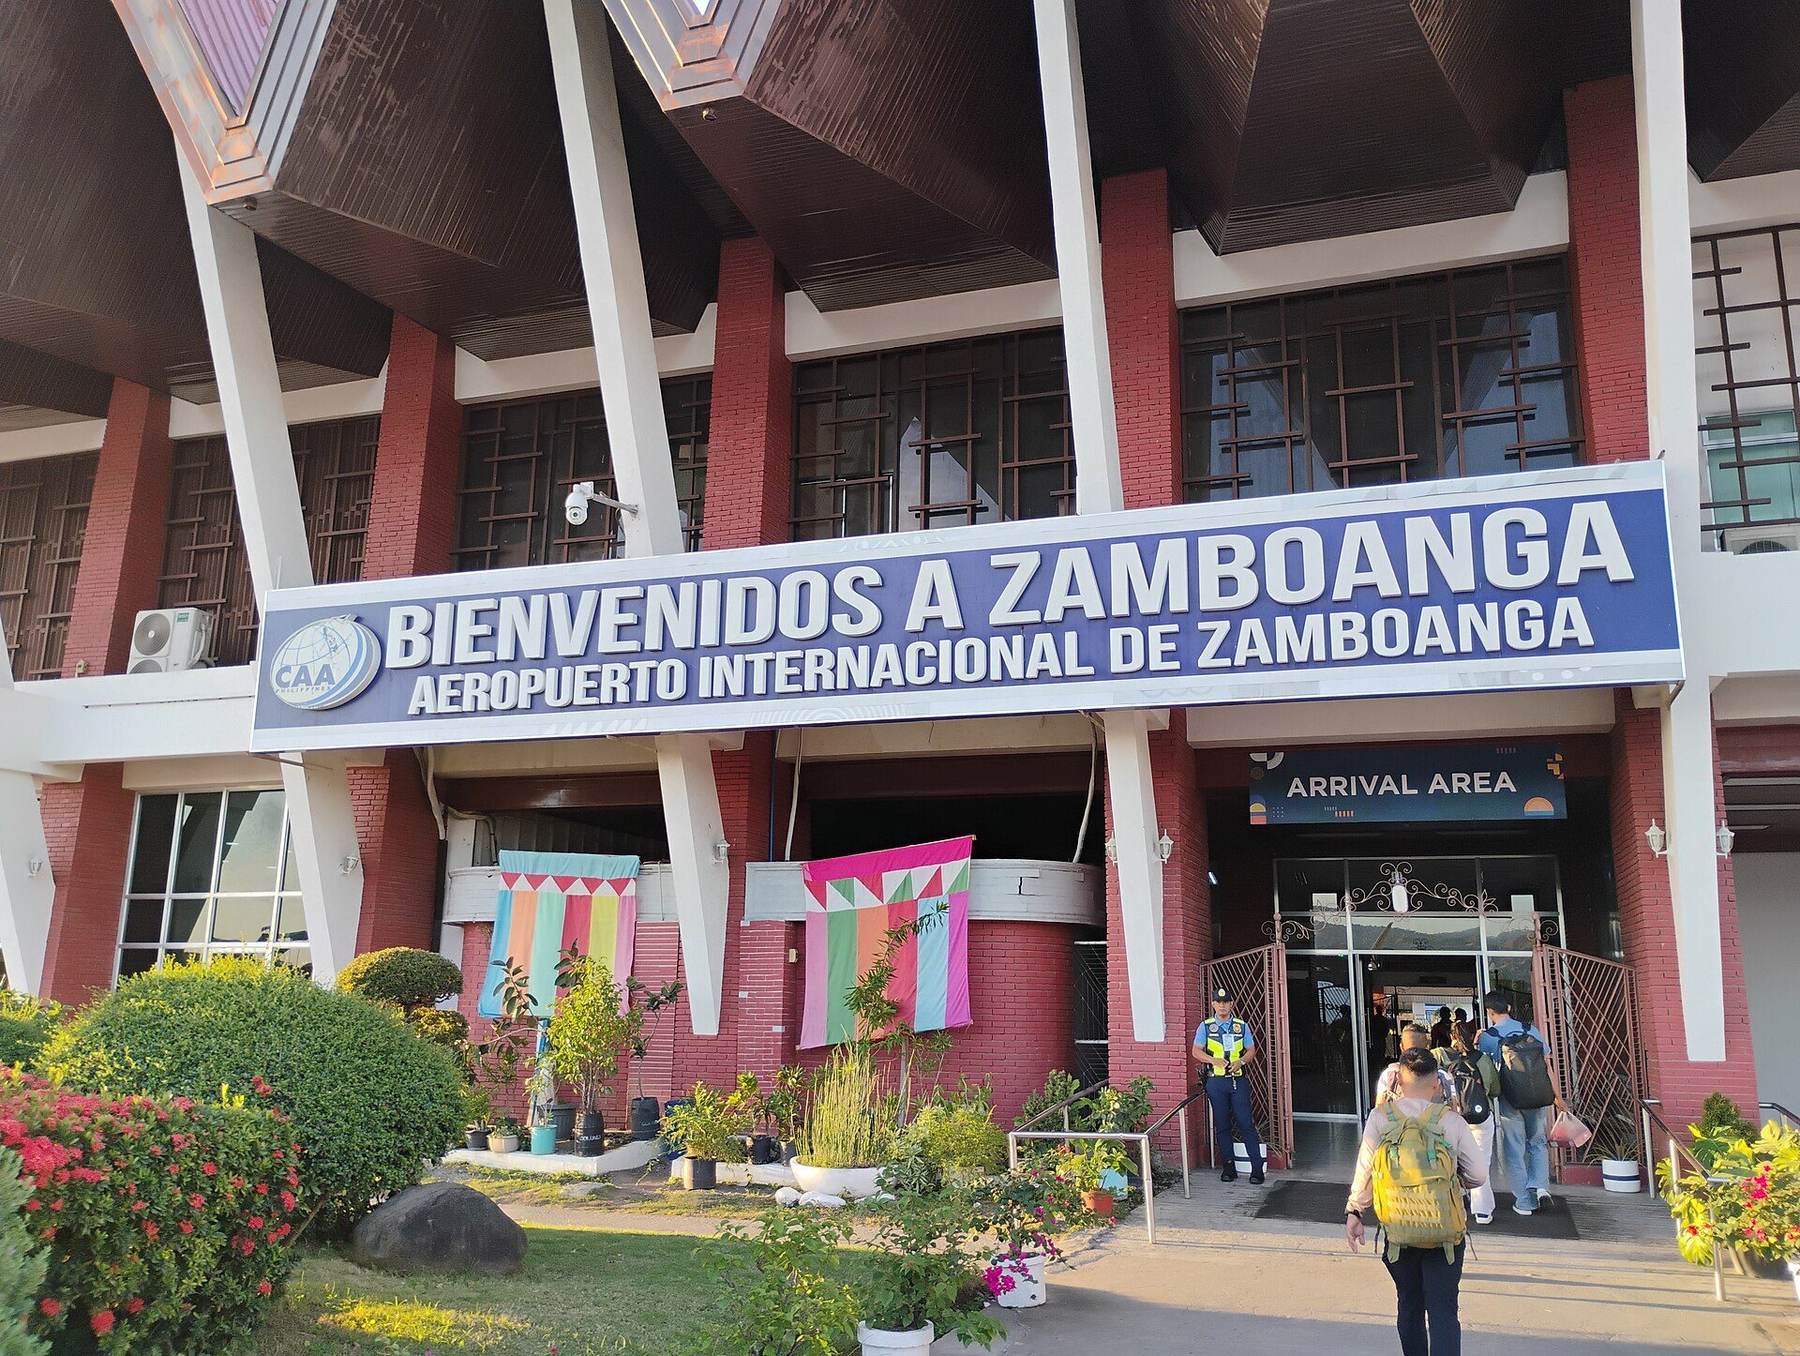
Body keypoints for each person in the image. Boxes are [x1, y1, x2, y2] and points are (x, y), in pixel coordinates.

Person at [1346, 1049, 1488, 1356]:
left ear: (1397, 1080)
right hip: (1444, 1235)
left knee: (1409, 1305)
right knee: (1443, 1311)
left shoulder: (1381, 1118)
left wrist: (1355, 1211)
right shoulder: (1451, 1121)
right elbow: (1478, 1175)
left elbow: (1366, 1169)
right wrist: (1453, 1180)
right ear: (1436, 1083)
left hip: (1399, 1232)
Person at [1477, 991, 1556, 1216]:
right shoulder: (1530, 1030)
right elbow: (1547, 1066)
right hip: (1537, 1095)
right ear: (1509, 1008)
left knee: (1514, 1149)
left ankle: (1524, 1201)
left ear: (1489, 1012)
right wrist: (1557, 1098)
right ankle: (1540, 1186)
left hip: (1509, 1099)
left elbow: (1485, 1070)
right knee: (1538, 1142)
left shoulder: (1489, 1037)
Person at [1193, 986, 1264, 1184]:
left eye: (1226, 1002)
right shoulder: (1206, 1026)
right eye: (1219, 1002)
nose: (1222, 1006)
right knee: (1222, 1125)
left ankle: (1257, 1169)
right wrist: (1213, 1060)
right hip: (1216, 1081)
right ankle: (1228, 1168)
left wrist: (1241, 1061)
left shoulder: (1241, 1026)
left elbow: (1251, 1050)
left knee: (1245, 1123)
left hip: (1237, 1080)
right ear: (1214, 1004)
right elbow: (1196, 1051)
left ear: (1231, 1004)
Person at [1447, 1021, 1500, 1224]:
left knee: (1454, 1160)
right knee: (1480, 1161)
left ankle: (1458, 1199)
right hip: (1480, 1117)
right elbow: (1494, 1089)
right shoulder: (1482, 1059)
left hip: (1454, 1118)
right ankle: (1482, 1210)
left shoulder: (1446, 1059)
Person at [1374, 1024, 1457, 1106]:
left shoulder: (1389, 1076)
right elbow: (1454, 1110)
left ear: (1401, 1047)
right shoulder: (1442, 1076)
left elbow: (1379, 1109)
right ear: (1427, 1048)